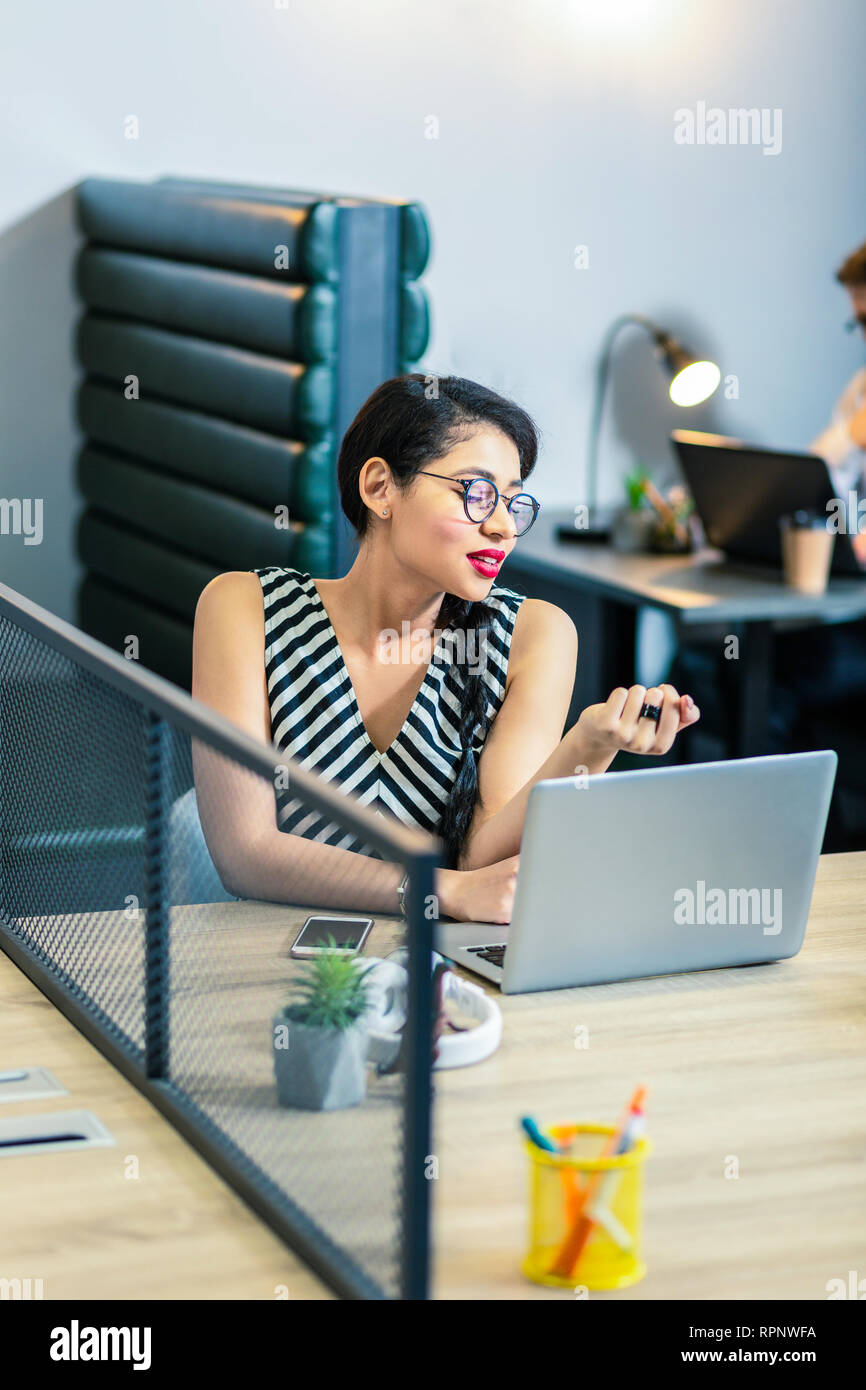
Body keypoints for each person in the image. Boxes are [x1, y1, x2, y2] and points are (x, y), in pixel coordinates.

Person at [191, 373, 701, 923]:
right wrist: (443, 892)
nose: (505, 528)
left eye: (512, 501)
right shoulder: (245, 609)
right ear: (380, 488)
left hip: (447, 971)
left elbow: (486, 855)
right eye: (476, 494)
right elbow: (245, 855)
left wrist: (590, 744)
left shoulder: (533, 633)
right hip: (279, 968)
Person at [769, 239, 866, 750]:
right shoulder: (861, 389)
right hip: (844, 608)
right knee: (711, 658)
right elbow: (813, 486)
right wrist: (852, 436)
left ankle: (802, 827)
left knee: (769, 674)